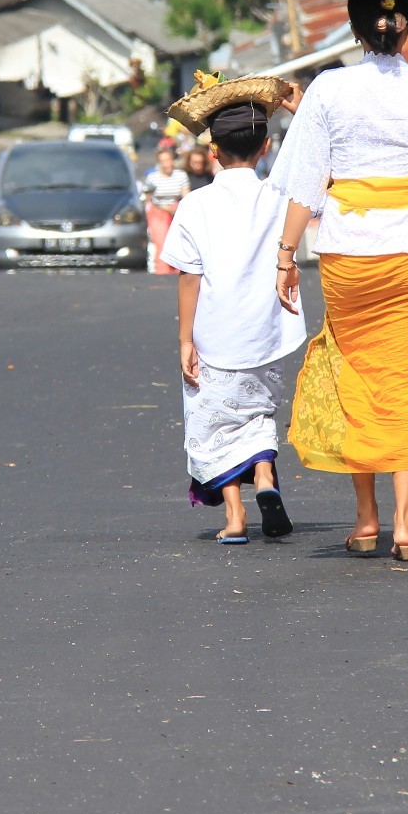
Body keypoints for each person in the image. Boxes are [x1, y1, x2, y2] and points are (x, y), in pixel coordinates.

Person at [268, 0, 408, 564]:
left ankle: (366, 522)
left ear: (355, 29)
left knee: (357, 378)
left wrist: (286, 255)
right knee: (407, 383)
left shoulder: (329, 89)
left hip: (349, 258)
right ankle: (407, 529)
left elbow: (307, 183)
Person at [160, 100, 306, 543]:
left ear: (214, 151)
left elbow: (189, 276)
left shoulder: (196, 204)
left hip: (215, 330)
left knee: (214, 423)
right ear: (265, 148)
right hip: (269, 330)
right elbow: (319, 166)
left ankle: (236, 518)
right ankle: (264, 475)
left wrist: (185, 338)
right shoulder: (282, 197)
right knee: (259, 411)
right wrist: (299, 111)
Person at [141, 145, 190, 275]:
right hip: (158, 211)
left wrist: (178, 207)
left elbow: (186, 195)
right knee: (161, 242)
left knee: (177, 242)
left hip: (176, 210)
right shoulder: (153, 178)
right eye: (163, 161)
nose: (166, 164)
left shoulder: (180, 175)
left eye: (168, 160)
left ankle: (178, 271)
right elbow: (148, 198)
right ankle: (162, 271)